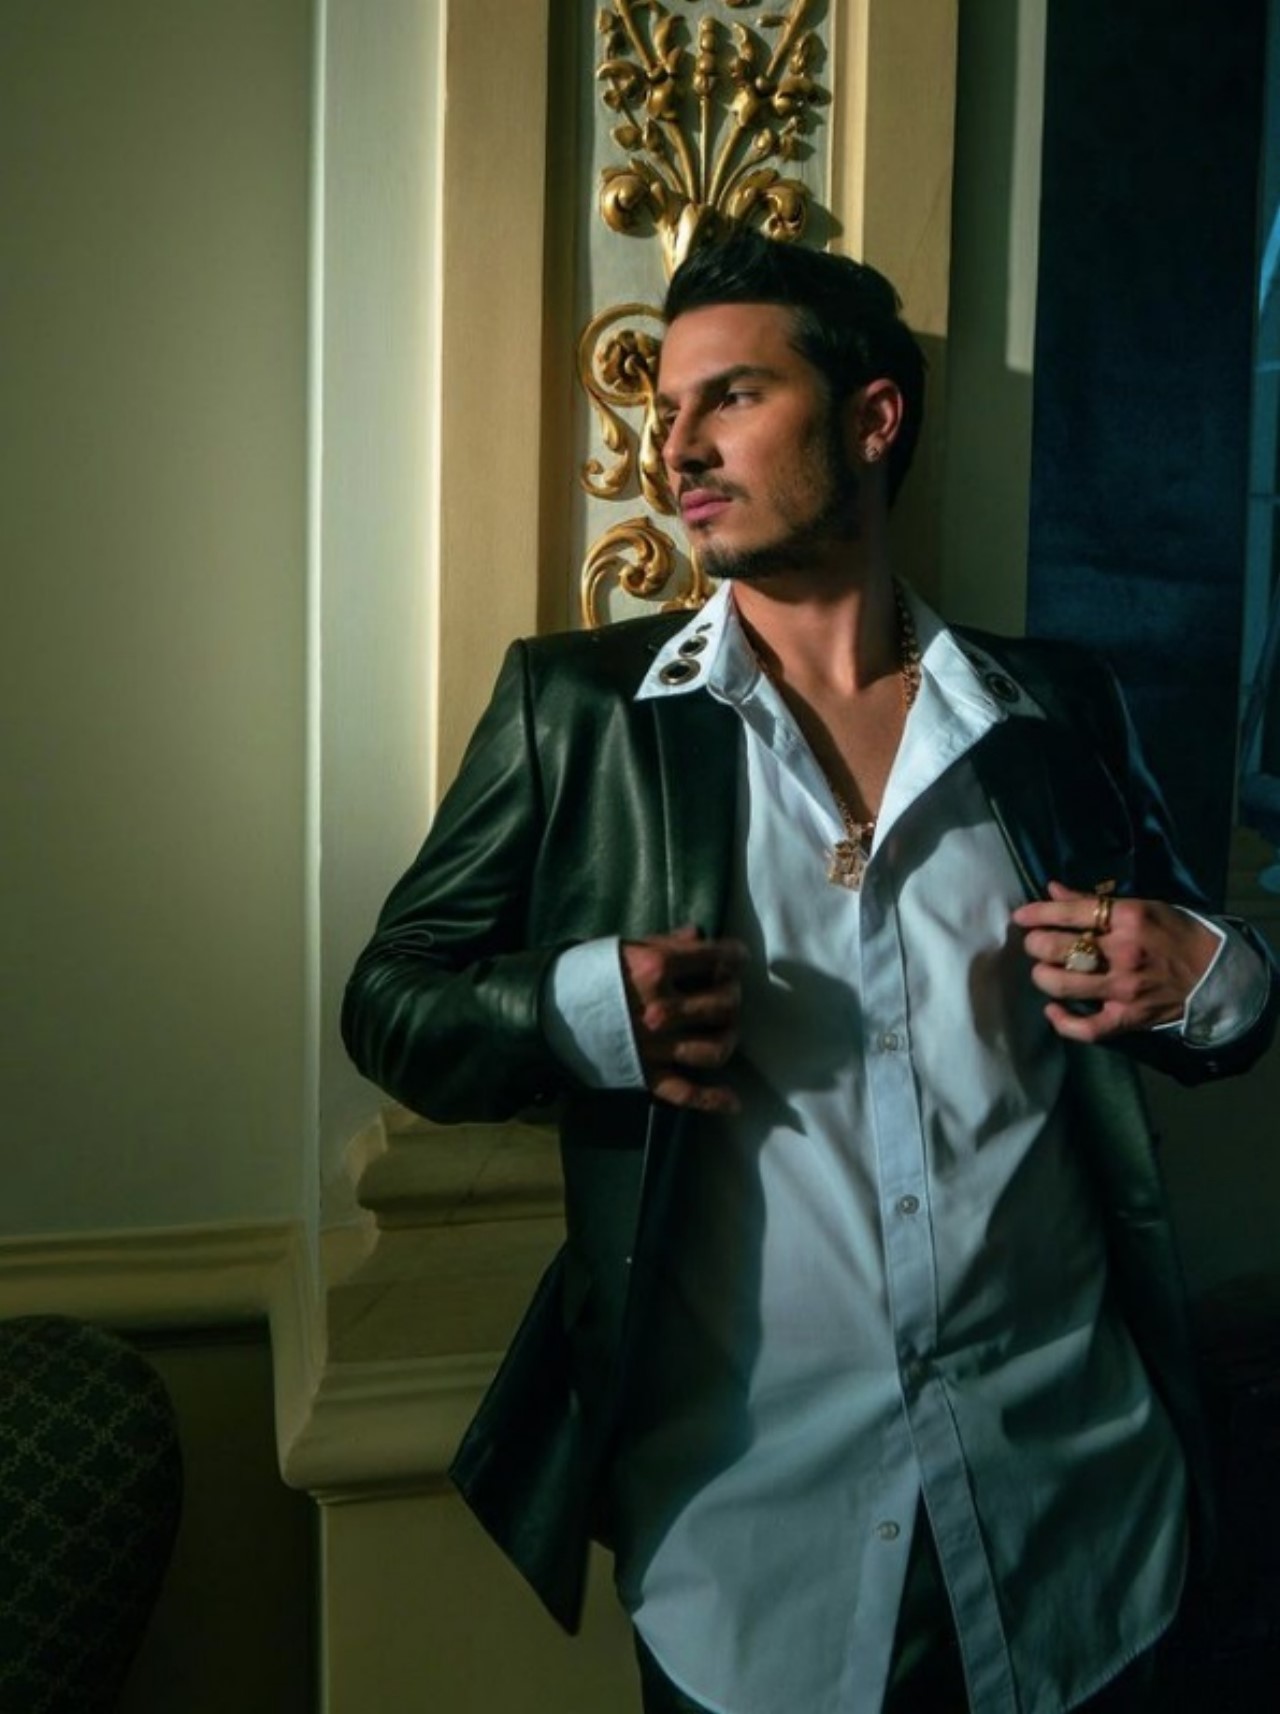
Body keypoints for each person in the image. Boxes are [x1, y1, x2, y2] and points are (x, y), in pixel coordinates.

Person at [341, 230, 1277, 1714]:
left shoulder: (1057, 710)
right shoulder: (577, 715)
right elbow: (388, 999)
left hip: (1081, 1520)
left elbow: (1198, 996)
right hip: (751, 1556)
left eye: (733, 396)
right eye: (665, 409)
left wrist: (1214, 972)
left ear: (873, 418)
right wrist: (584, 1011)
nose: (676, 448)